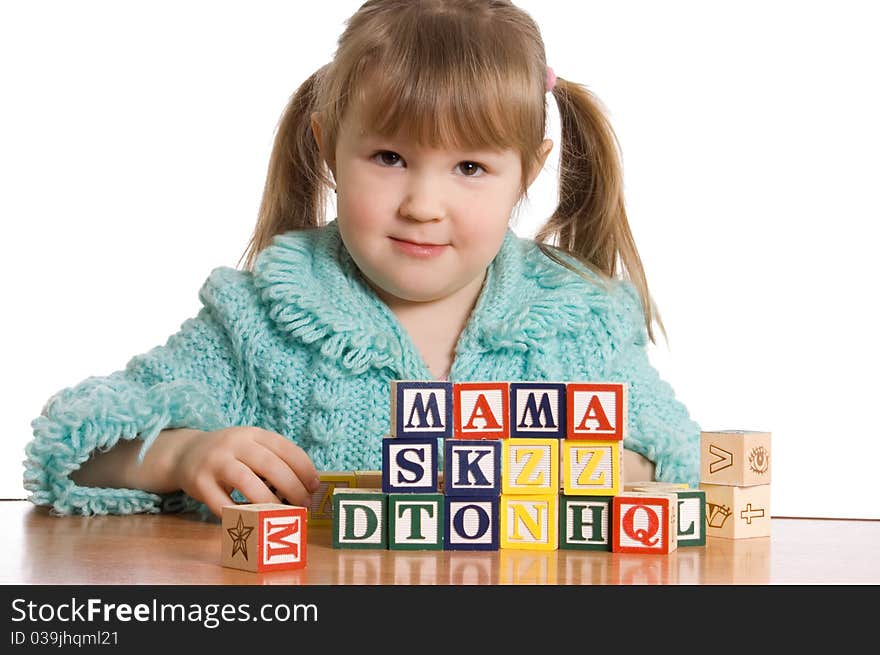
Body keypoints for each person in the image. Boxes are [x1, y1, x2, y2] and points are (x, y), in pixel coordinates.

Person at [24, 0, 701, 519]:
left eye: (470, 166)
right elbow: (73, 443)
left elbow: (683, 460)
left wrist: (599, 472)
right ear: (329, 146)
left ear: (527, 172)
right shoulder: (261, 320)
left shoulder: (579, 321)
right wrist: (181, 453)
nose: (423, 203)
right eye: (389, 157)